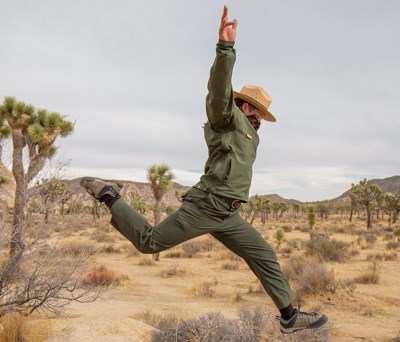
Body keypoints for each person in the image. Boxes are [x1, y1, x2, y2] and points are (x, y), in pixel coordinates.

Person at [80, 6, 328, 334]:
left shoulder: (249, 133)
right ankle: (111, 195)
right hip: (206, 206)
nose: (260, 119)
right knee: (149, 243)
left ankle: (289, 316)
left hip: (228, 214)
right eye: (259, 112)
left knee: (264, 255)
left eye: (262, 116)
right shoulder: (227, 118)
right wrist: (225, 49)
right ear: (246, 106)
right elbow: (218, 91)